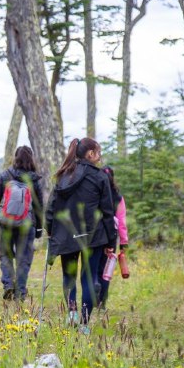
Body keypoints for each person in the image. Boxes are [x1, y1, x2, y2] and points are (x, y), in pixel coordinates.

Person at [46, 138, 117, 334]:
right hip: (92, 237)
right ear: (90, 154)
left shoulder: (63, 176)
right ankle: (84, 325)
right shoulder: (100, 177)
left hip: (66, 235)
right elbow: (107, 212)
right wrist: (111, 241)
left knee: (69, 276)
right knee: (89, 278)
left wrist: (50, 229)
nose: (99, 155)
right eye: (98, 151)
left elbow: (51, 207)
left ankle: (72, 313)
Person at [0, 146, 45, 301]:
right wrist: (39, 228)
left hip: (6, 223)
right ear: (31, 159)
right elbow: (39, 208)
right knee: (23, 259)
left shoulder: (5, 176)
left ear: (16, 158)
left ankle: (8, 285)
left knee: (5, 254)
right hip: (27, 225)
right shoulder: (34, 180)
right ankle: (20, 291)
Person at [97, 166, 129, 309]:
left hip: (96, 235)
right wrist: (123, 242)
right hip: (112, 236)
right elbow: (121, 222)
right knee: (106, 269)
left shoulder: (96, 193)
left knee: (95, 267)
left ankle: (94, 292)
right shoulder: (118, 196)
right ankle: (102, 302)